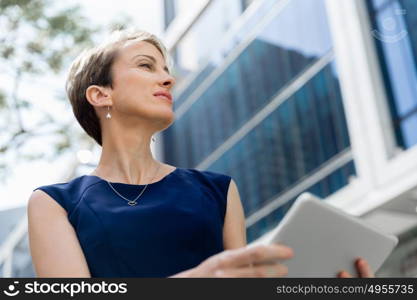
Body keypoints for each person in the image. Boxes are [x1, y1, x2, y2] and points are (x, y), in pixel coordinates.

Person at [27, 28, 373, 278]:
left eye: (167, 70)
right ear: (101, 95)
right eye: (147, 66)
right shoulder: (54, 203)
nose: (168, 80)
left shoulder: (218, 191)